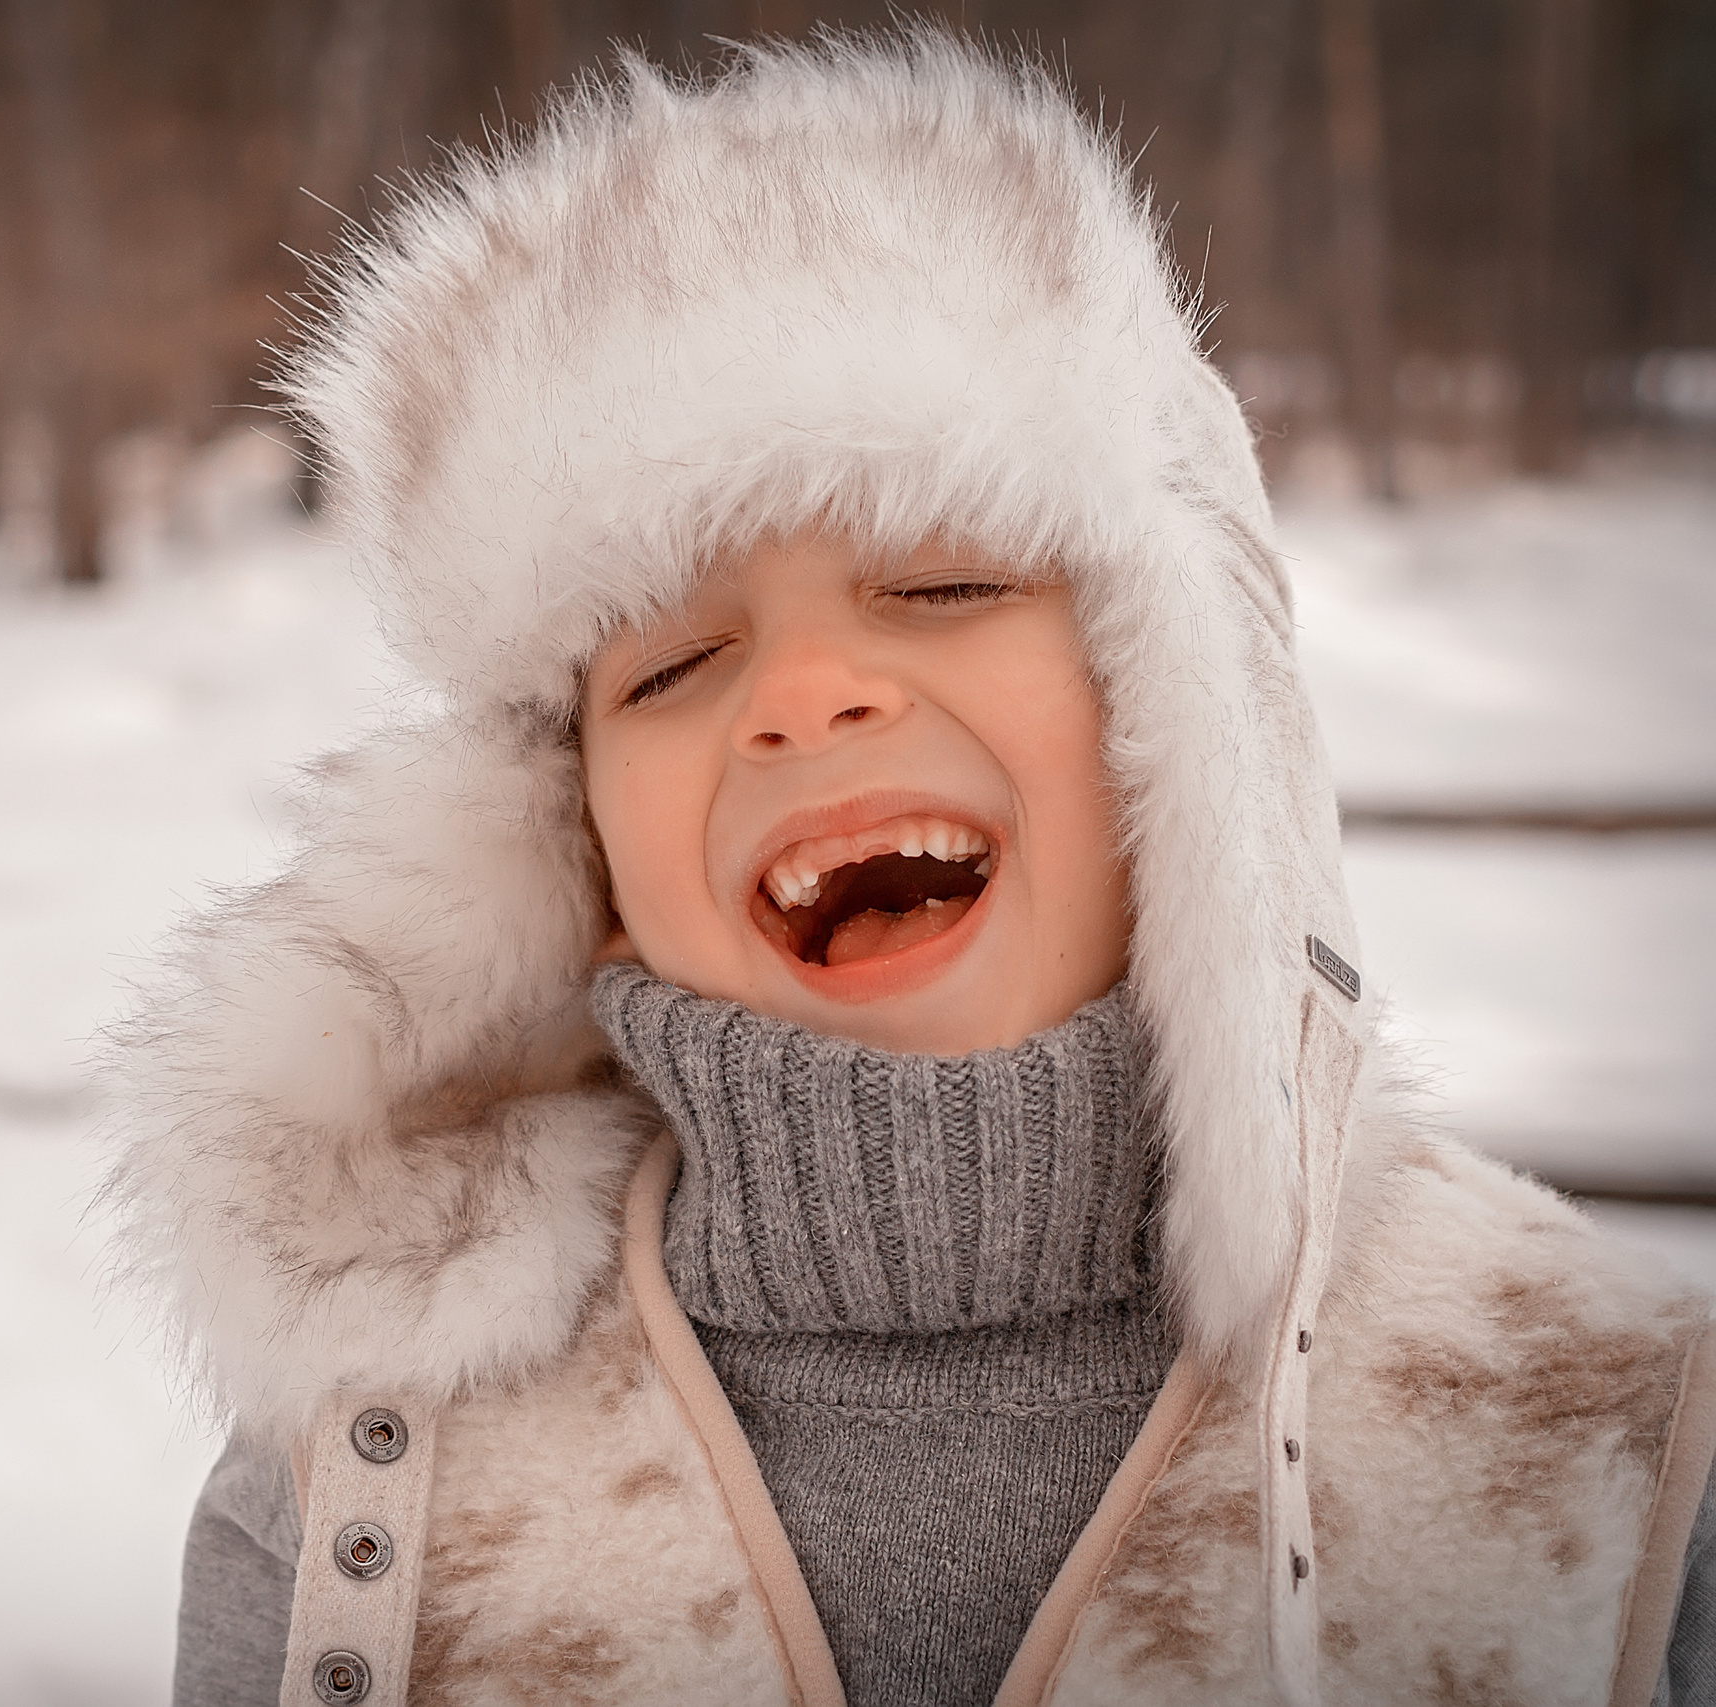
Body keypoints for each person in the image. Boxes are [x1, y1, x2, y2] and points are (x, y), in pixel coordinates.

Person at [104, 30, 1716, 1707]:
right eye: (666, 669)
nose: (804, 698)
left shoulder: (1606, 1436)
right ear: (572, 836)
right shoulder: (366, 1501)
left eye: (945, 586)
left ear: (1181, 702)